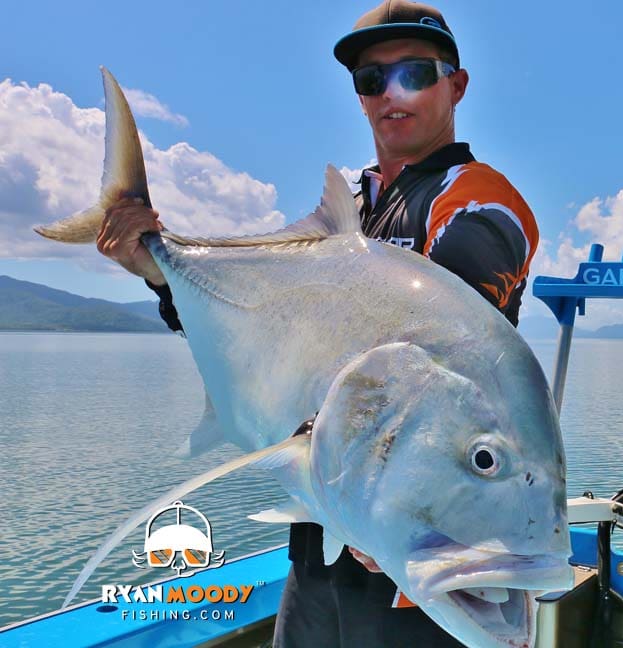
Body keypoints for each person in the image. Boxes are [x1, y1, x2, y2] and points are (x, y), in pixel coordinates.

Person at [97, 1, 539, 645]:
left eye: (415, 72)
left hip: (416, 563)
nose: (392, 93)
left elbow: (436, 369)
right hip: (321, 543)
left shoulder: (479, 202)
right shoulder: (353, 213)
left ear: (457, 84)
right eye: (371, 80)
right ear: (359, 99)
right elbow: (260, 336)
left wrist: (391, 506)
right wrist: (160, 269)